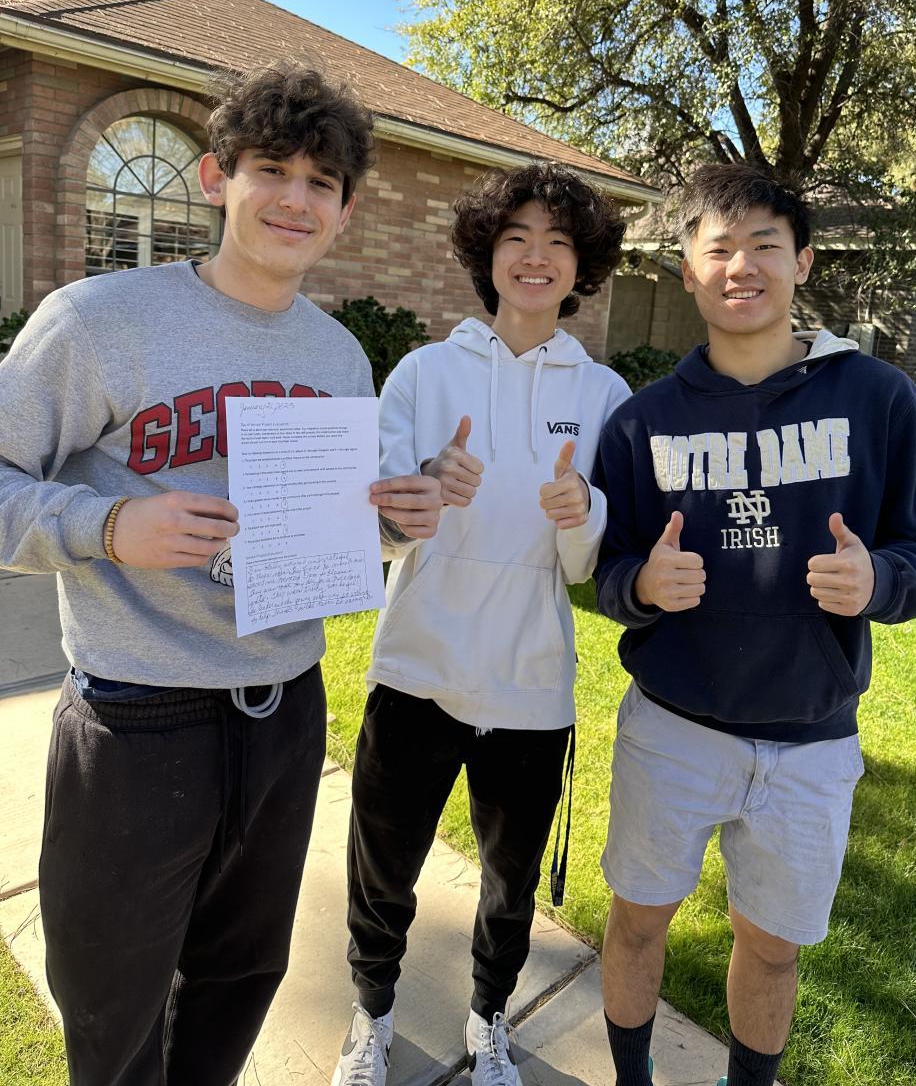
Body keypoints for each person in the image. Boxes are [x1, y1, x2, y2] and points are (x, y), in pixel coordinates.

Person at [0, 62, 442, 1086]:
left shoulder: (337, 356)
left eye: (322, 181)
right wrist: (109, 525)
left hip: (285, 711)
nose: (296, 197)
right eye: (271, 169)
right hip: (137, 715)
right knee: (112, 1004)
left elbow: (327, 536)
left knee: (241, 978)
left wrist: (392, 522)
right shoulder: (97, 320)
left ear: (345, 211)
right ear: (215, 178)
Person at [591, 163, 916, 1086]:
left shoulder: (878, 398)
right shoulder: (643, 422)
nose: (741, 267)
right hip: (672, 730)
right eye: (718, 248)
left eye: (765, 245)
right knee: (636, 923)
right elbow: (608, 569)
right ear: (687, 271)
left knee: (773, 949)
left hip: (811, 743)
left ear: (803, 261)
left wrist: (879, 579)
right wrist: (644, 585)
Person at [331, 163, 631, 1086]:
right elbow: (375, 530)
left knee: (510, 885)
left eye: (558, 242)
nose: (536, 257)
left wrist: (584, 508)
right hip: (416, 670)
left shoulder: (605, 395)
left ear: (580, 266)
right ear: (486, 254)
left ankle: (488, 1019)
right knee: (383, 871)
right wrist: (419, 489)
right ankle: (371, 1014)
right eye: (517, 237)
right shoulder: (425, 373)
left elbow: (587, 566)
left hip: (530, 686)